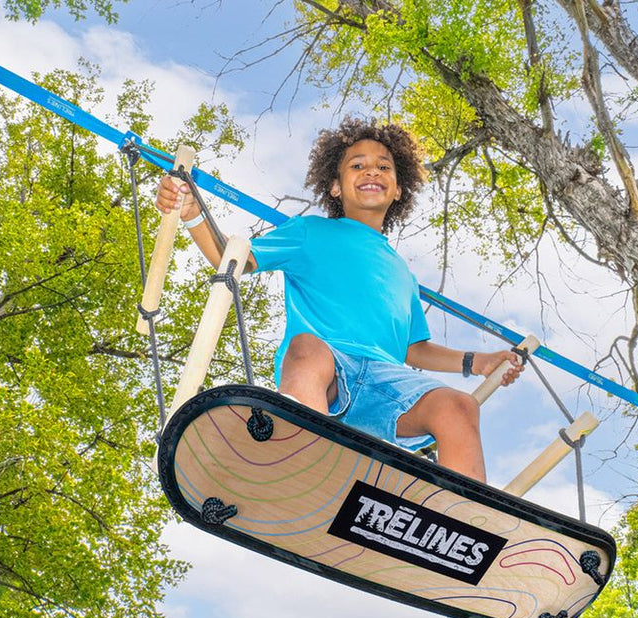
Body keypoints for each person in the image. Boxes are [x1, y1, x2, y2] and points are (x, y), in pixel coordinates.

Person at [155, 117, 523, 482]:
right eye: (357, 166)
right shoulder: (309, 231)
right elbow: (235, 259)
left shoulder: (403, 273)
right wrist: (193, 214)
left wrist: (477, 362)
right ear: (335, 186)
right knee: (306, 347)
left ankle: (462, 512)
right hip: (324, 373)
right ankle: (304, 462)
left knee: (459, 406)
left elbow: (415, 349)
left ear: (398, 189)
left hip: (387, 385)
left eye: (383, 167)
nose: (371, 171)